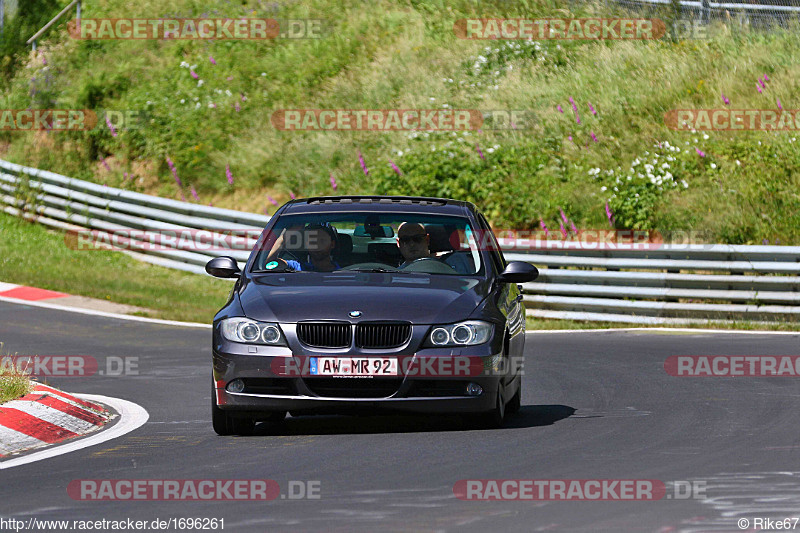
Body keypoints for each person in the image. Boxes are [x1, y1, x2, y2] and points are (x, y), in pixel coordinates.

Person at [395, 222, 472, 273]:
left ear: (427, 240)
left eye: (417, 238)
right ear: (398, 243)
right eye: (405, 240)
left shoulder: (459, 260)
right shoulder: (393, 274)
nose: (412, 244)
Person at [265, 224, 340, 272]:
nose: (317, 246)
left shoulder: (347, 270)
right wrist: (286, 236)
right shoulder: (298, 267)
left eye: (322, 241)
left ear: (332, 244)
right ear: (307, 245)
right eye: (313, 242)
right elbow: (269, 264)